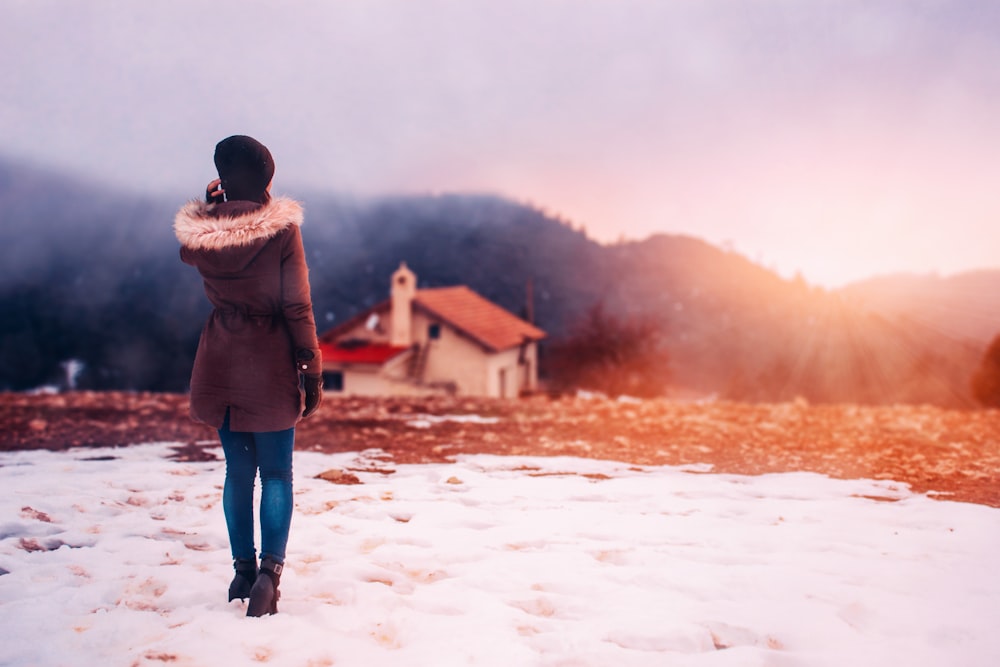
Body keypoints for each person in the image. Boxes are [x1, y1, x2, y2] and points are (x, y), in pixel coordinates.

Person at [173, 135, 323, 616]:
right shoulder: (281, 230)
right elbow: (296, 302)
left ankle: (242, 569)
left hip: (219, 355)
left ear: (224, 176)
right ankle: (268, 577)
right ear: (266, 179)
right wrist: (310, 365)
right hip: (269, 357)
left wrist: (212, 204)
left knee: (238, 472)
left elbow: (188, 254)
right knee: (276, 473)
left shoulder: (202, 233)